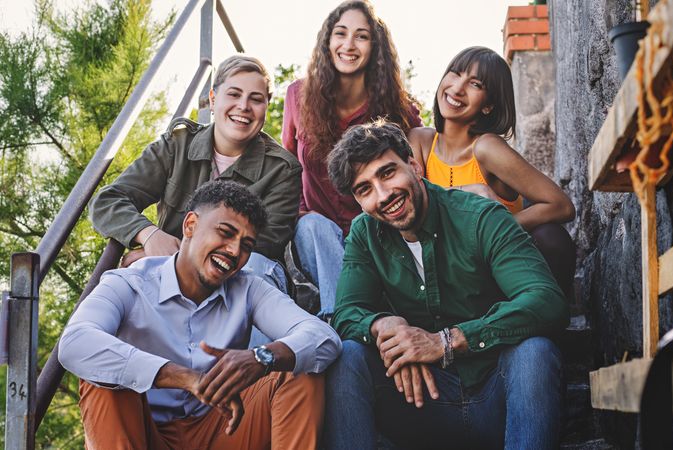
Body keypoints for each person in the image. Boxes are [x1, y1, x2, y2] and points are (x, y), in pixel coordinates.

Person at [323, 121, 569, 450]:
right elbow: (346, 313)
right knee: (348, 355)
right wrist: (384, 326)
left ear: (413, 165)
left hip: (497, 396)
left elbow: (547, 301)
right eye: (364, 189)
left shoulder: (480, 217)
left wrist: (448, 342)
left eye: (387, 173)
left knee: (536, 352)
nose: (383, 195)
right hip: (423, 404)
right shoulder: (365, 233)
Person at [60, 180, 341, 449]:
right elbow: (75, 342)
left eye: (246, 245)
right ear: (191, 225)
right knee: (104, 379)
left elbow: (322, 337)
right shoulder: (130, 282)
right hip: (142, 432)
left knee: (299, 367)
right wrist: (186, 377)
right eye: (225, 232)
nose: (234, 251)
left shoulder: (248, 287)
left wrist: (263, 357)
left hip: (223, 428)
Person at [90, 55, 301, 295]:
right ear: (212, 100)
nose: (244, 106)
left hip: (236, 282)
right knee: (121, 281)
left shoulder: (283, 170)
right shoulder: (176, 146)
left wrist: (177, 256)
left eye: (256, 99)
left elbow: (261, 246)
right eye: (233, 94)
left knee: (256, 269)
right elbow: (107, 201)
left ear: (266, 107)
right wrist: (149, 236)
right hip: (168, 282)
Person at [282, 0, 421, 320]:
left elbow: (420, 162)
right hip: (316, 232)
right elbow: (287, 164)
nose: (349, 44)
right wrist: (296, 212)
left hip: (378, 226)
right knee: (315, 226)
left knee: (366, 227)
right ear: (327, 42)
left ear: (376, 47)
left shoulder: (397, 105)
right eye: (340, 33)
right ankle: (340, 318)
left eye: (361, 36)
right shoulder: (297, 96)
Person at [407, 46, 576, 296]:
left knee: (553, 238)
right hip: (448, 271)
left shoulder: (486, 148)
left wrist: (495, 228)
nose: (457, 88)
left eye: (475, 84)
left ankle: (547, 315)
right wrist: (468, 190)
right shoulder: (420, 142)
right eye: (455, 73)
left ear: (488, 106)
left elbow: (562, 206)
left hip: (497, 267)